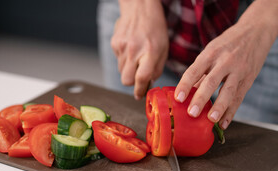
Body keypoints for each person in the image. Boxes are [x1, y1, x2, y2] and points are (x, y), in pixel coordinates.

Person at [97, 0, 278, 130]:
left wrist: (261, 23)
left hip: (260, 27)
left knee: (250, 158)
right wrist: (138, 5)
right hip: (141, 19)